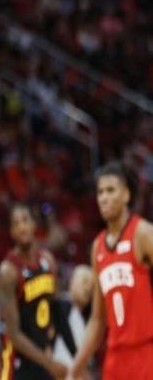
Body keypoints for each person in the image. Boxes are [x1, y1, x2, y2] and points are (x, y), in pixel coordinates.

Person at [68, 162, 153, 379]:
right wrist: (74, 371)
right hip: (115, 358)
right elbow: (98, 320)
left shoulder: (143, 233)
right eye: (100, 192)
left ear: (126, 195)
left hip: (145, 352)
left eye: (111, 190)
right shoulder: (97, 247)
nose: (104, 198)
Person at [0, 203, 67, 379]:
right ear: (11, 232)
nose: (22, 227)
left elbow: (55, 310)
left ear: (34, 224)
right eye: (16, 223)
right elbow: (13, 334)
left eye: (25, 220)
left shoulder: (48, 261)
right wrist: (49, 363)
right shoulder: (8, 271)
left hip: (44, 355)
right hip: (17, 362)